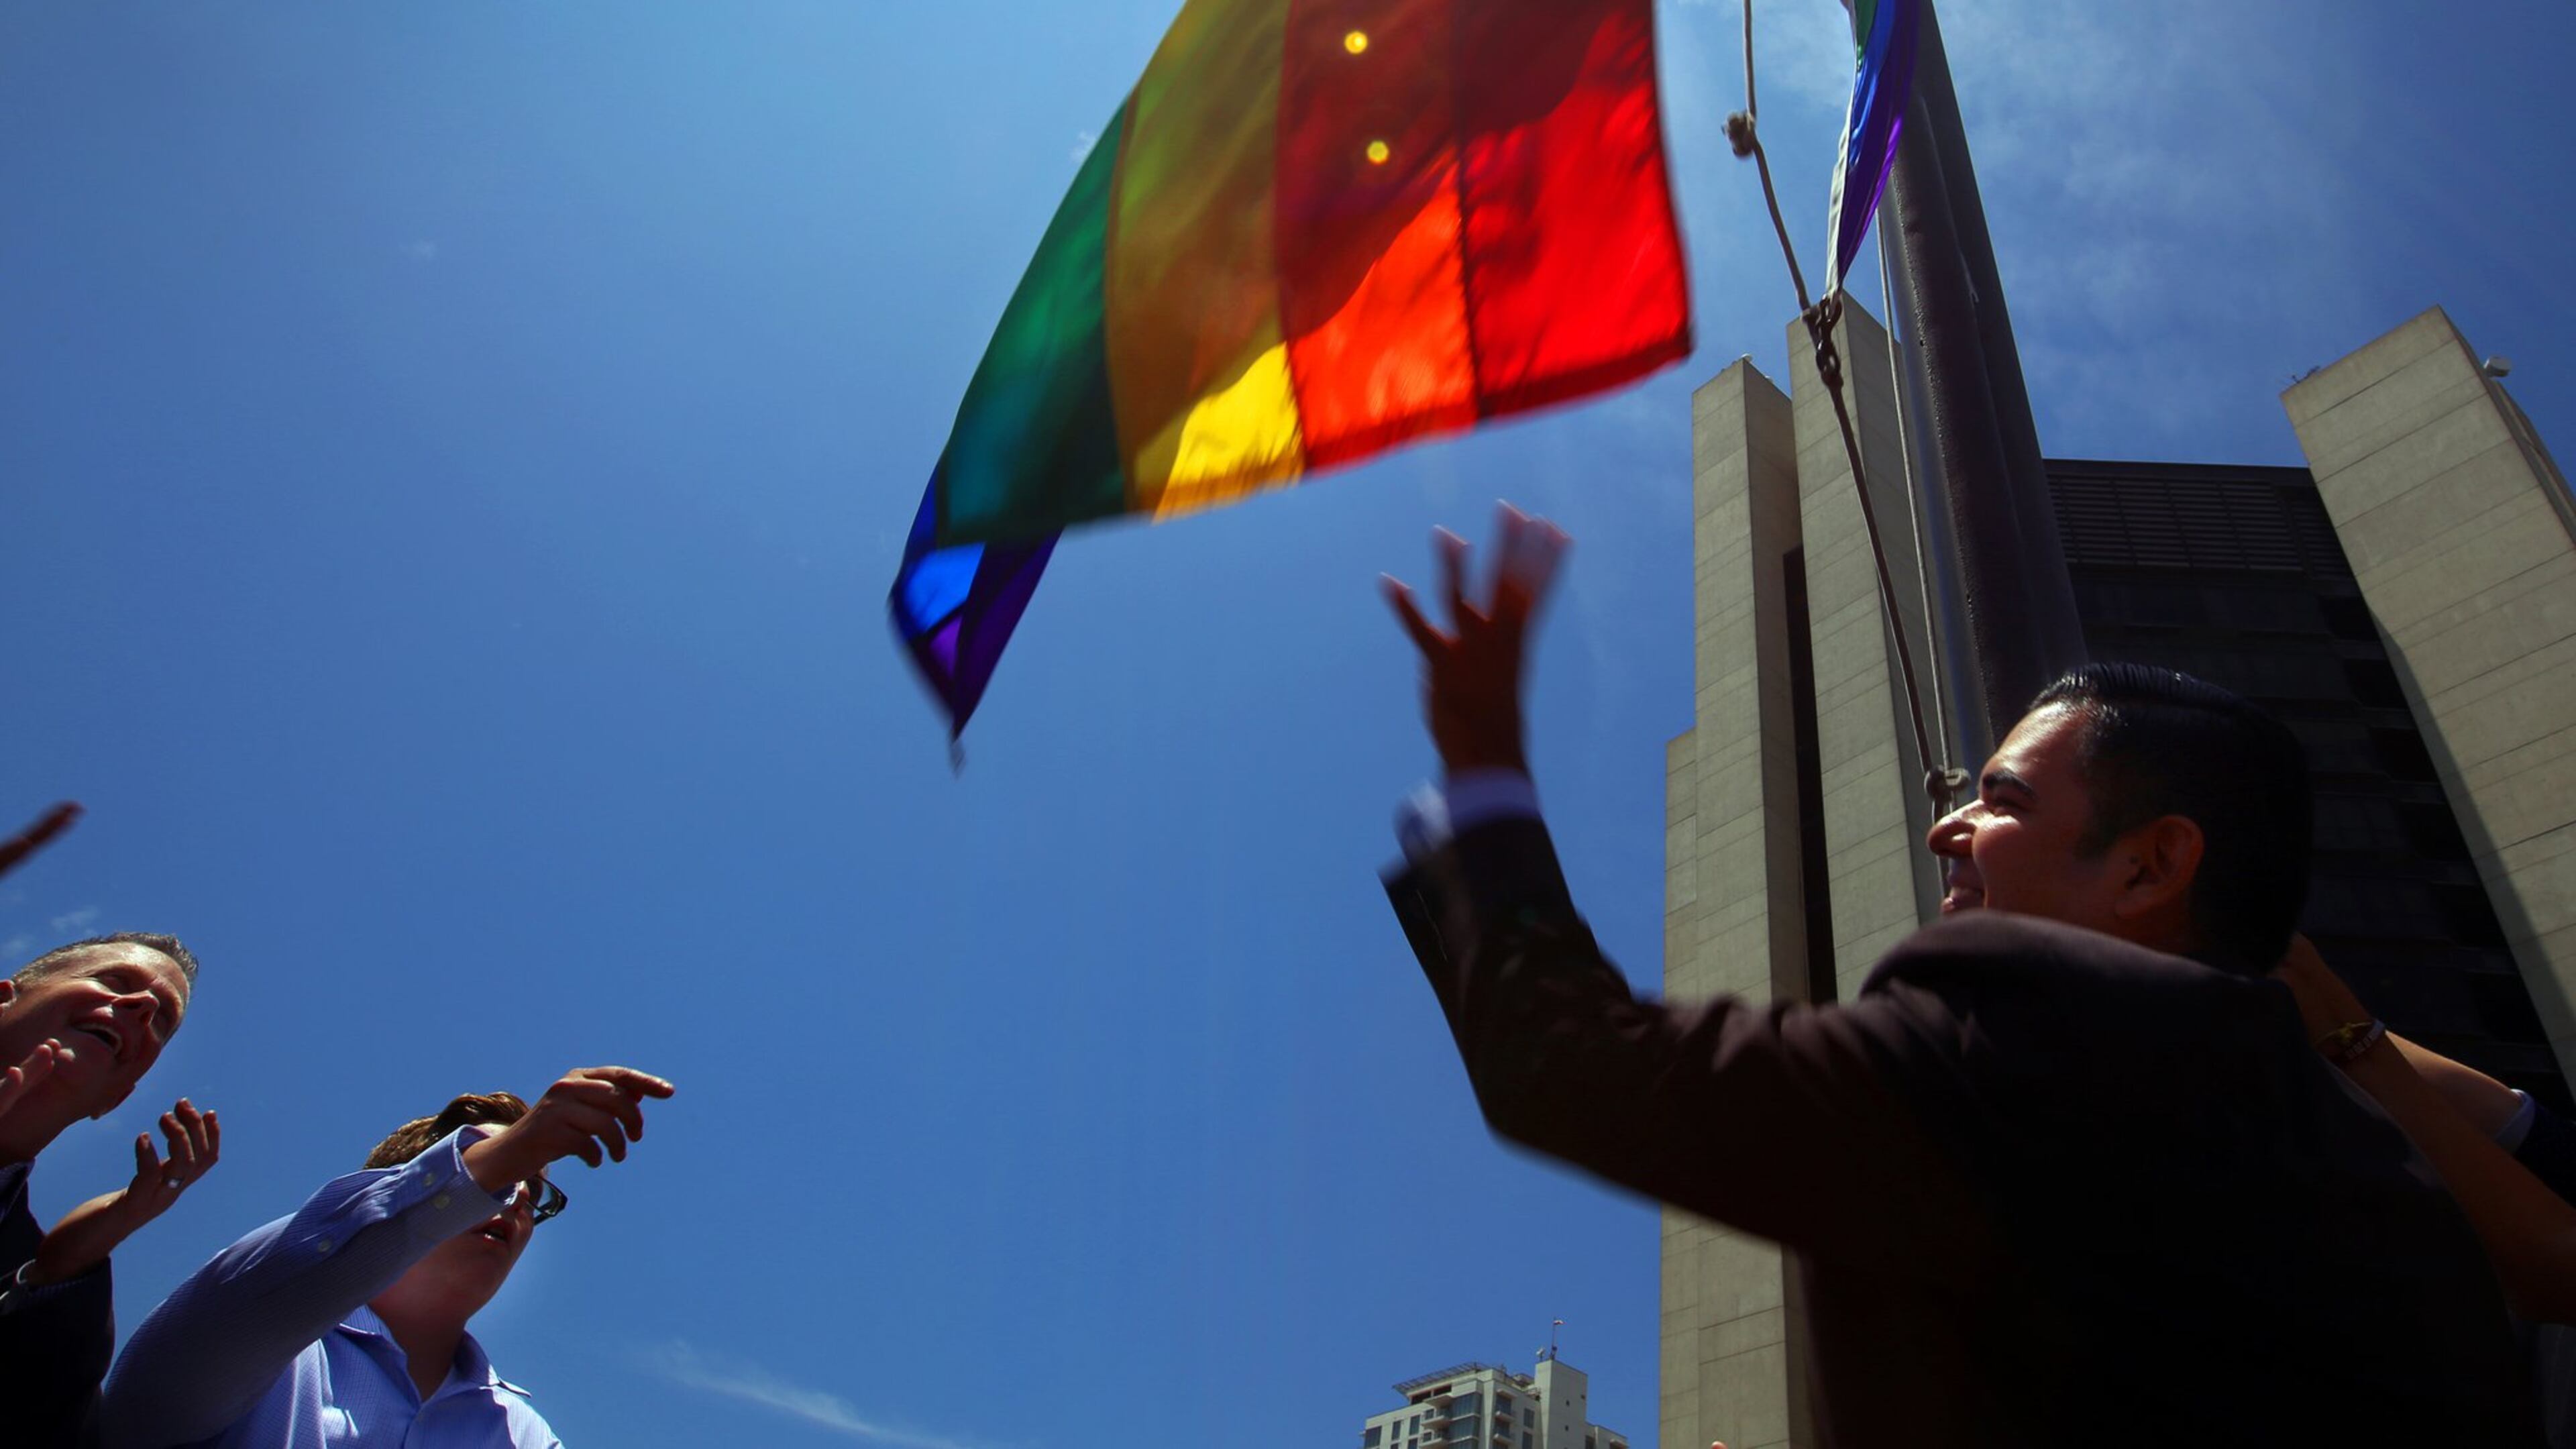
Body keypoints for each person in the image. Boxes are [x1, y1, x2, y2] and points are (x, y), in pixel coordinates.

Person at [1381, 506, 2535, 1447]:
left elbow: (1565, 1066)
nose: (1951, 827)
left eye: (2003, 799)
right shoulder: (2412, 1207)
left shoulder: (2027, 1025)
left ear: (2153, 863)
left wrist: (1481, 764)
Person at [101, 1065, 676, 1449]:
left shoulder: (522, 1433)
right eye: (501, 1171)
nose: (518, 1193)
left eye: (532, 1185)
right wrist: (499, 1159)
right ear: (401, 1183)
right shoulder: (265, 1324)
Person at [0, 933, 215, 1449]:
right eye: (113, 981)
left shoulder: (53, 1289)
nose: (143, 1007)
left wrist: (55, 1278)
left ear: (116, 1097)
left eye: (162, 1020)